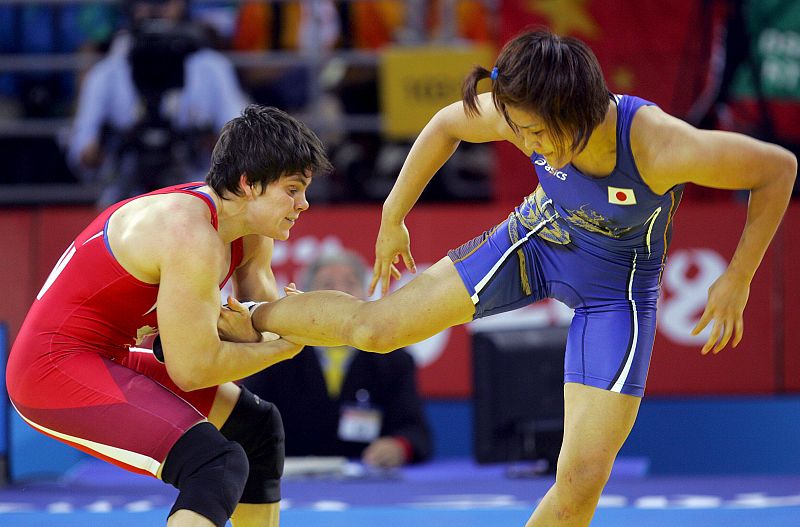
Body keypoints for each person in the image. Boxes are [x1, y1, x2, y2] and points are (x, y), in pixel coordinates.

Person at [242, 29, 797, 526]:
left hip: (617, 292)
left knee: (580, 483)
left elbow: (778, 169)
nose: (526, 146)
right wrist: (393, 214)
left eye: (536, 133)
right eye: (517, 130)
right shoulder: (522, 108)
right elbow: (445, 124)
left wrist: (740, 276)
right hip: (535, 238)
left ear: (574, 110)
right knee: (375, 329)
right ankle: (245, 315)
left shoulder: (661, 145)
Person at [7, 105, 332, 527]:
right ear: (249, 183)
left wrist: (269, 332)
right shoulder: (188, 234)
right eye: (292, 190)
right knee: (214, 463)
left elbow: (262, 322)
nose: (303, 204)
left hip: (107, 355)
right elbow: (194, 370)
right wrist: (282, 347)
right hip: (51, 370)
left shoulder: (249, 230)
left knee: (256, 428)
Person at [243, 249, 432, 468]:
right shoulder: (273, 355)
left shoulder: (394, 361)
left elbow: (415, 432)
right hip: (290, 477)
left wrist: (398, 447)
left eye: (350, 284)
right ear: (304, 299)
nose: (340, 294)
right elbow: (246, 425)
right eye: (327, 285)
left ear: (366, 296)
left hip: (366, 478)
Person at [67, 0, 249, 207]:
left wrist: (209, 142)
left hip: (195, 197)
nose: (155, 8)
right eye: (146, 1)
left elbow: (241, 138)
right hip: (126, 200)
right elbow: (81, 150)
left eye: (165, 1)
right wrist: (108, 146)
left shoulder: (212, 68)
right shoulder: (107, 72)